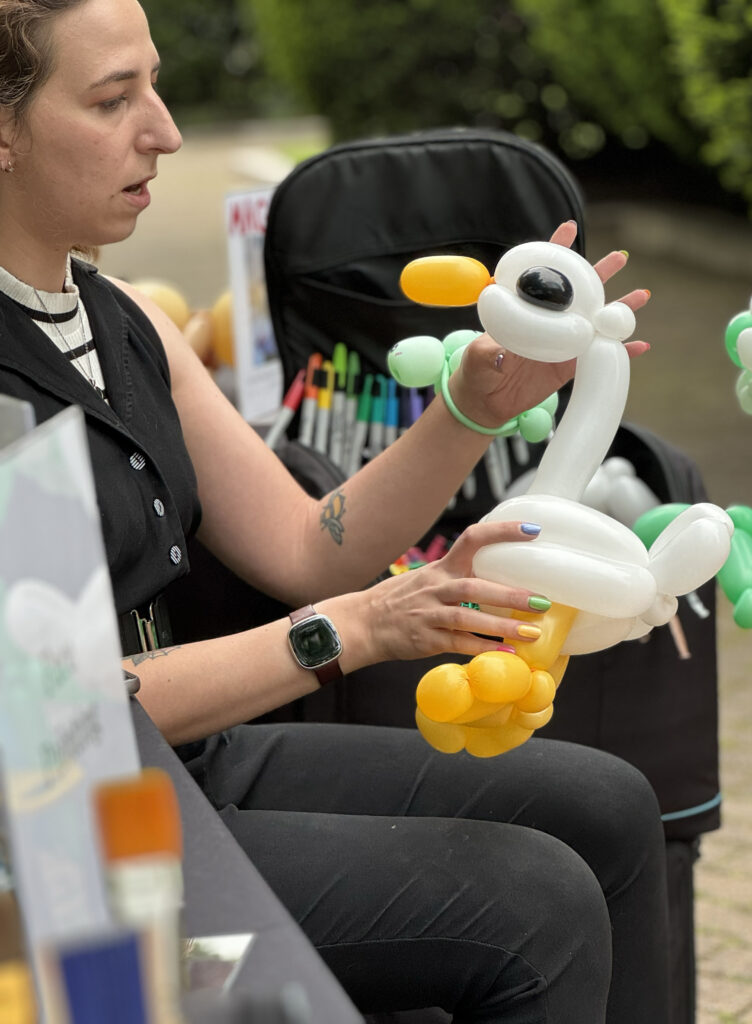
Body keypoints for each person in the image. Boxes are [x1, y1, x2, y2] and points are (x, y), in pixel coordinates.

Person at [0, 0, 671, 1020]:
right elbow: (46, 721)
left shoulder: (119, 316)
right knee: (536, 903)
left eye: (154, 82)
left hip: (175, 763)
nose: (166, 129)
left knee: (611, 805)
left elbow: (311, 551)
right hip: (52, 838)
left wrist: (468, 408)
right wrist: (348, 633)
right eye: (112, 98)